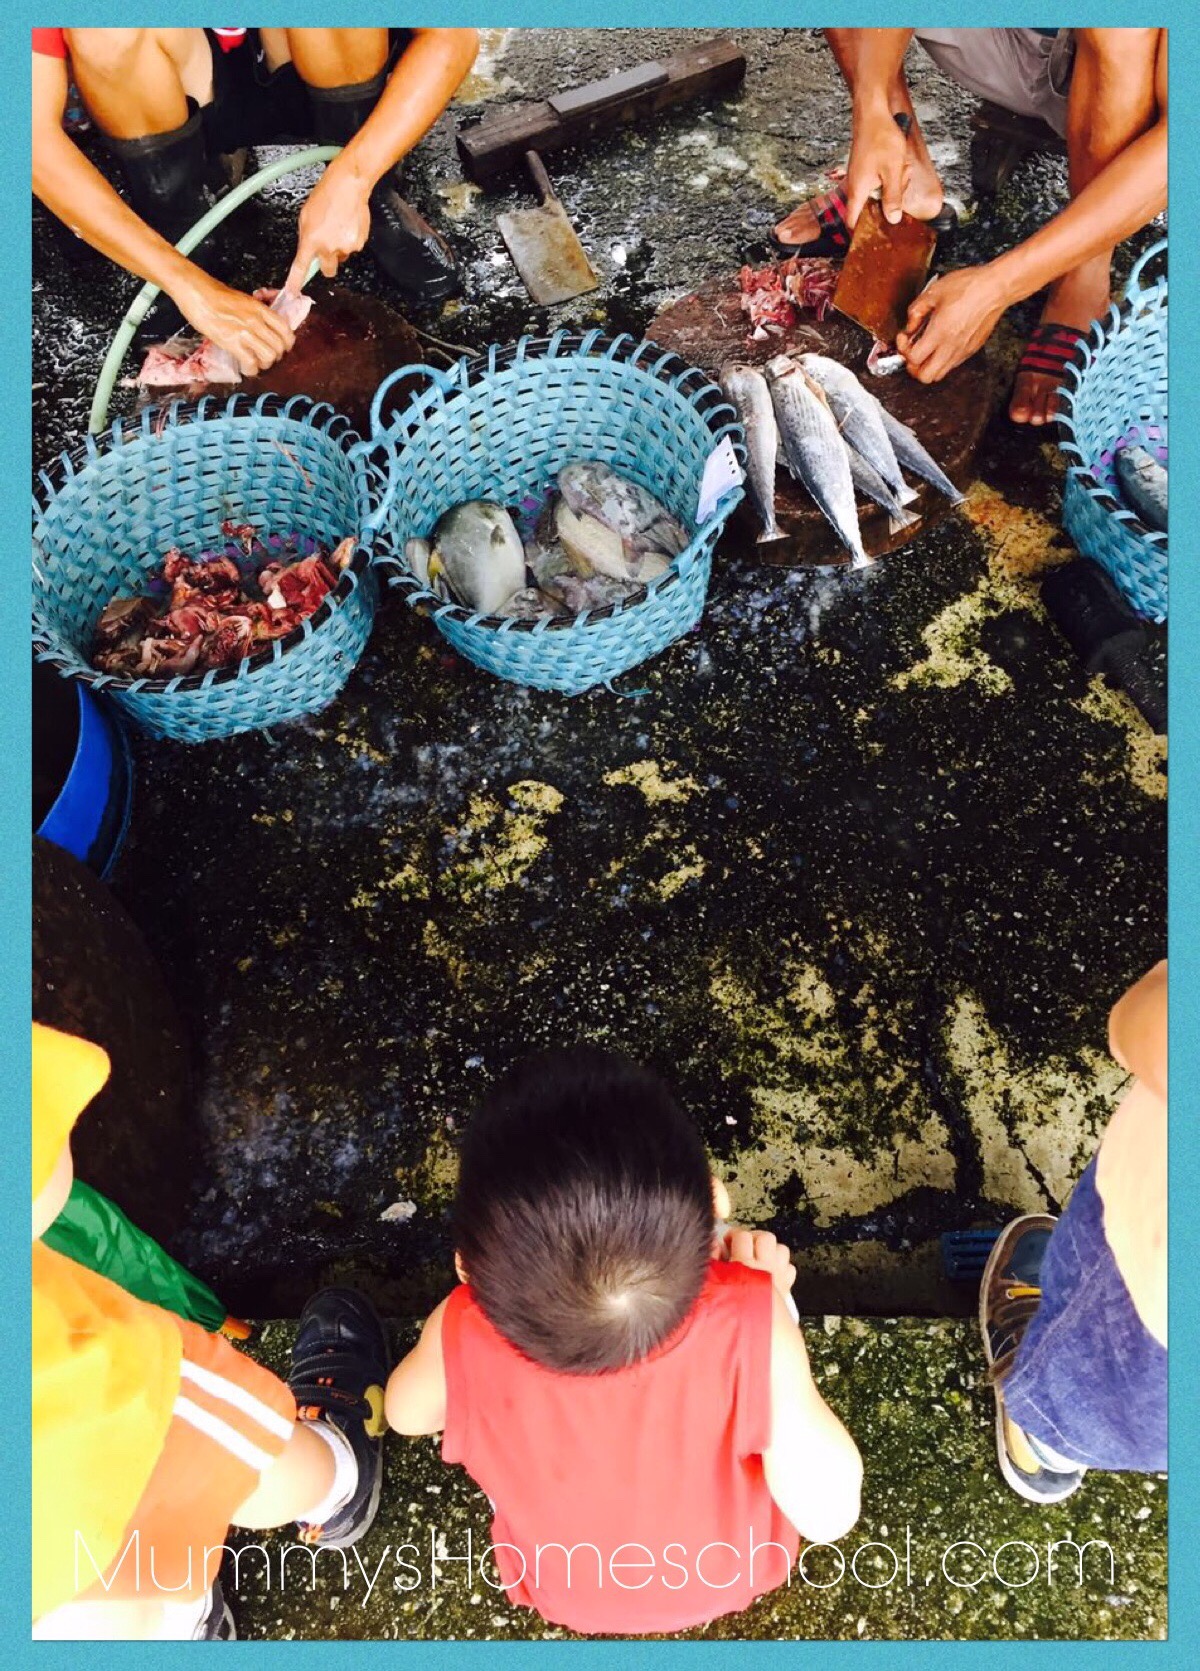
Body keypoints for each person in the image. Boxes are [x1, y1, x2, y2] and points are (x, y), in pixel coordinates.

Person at [385, 1049, 863, 1635]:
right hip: (730, 1573)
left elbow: (405, 1415)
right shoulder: (751, 1320)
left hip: (561, 1590)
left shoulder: (461, 1329)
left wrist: (465, 1319)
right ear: (714, 1204)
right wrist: (772, 1305)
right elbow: (830, 1515)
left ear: (467, 1266)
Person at [32, 1021, 390, 1640]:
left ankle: (189, 1622)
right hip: (85, 1430)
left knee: (77, 1606)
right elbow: (238, 1443)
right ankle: (336, 1483)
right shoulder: (67, 1365)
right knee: (248, 1456)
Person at [772, 30, 1167, 426]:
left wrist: (999, 286)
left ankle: (1085, 272)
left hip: (1125, 78)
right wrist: (874, 104)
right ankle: (905, 178)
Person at [32, 27, 480, 375]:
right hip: (185, 95)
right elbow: (28, 136)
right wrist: (187, 285)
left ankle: (375, 204)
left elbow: (452, 35)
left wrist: (356, 178)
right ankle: (182, 234)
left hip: (318, 69)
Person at [979, 961, 1166, 1503]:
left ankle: (1045, 1430)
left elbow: (1145, 1022)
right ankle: (1055, 1441)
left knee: (1110, 1357)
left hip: (1154, 1255)